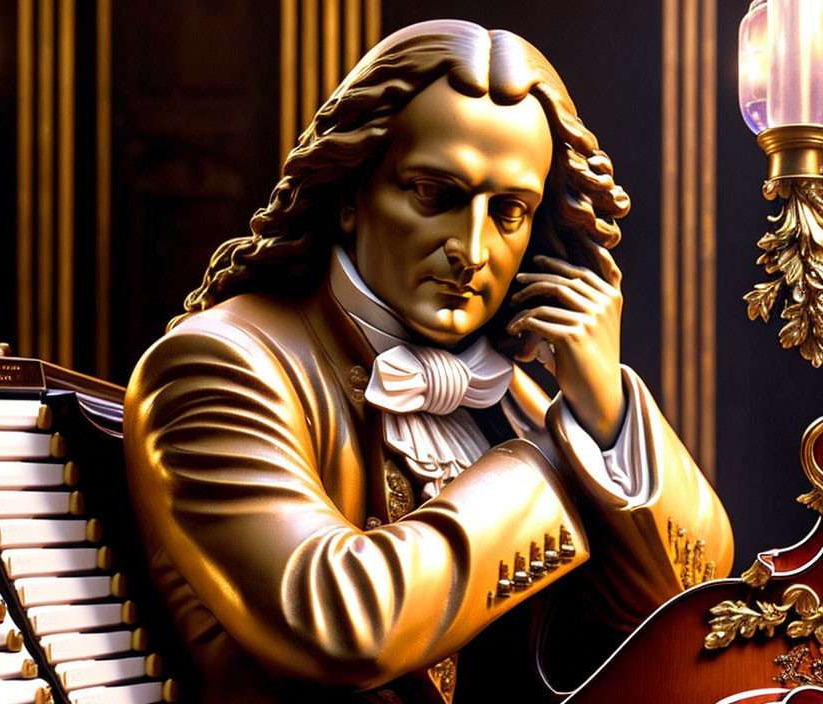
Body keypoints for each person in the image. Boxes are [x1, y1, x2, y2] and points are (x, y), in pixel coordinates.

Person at [123, 19, 733, 704]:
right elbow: (338, 621)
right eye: (436, 196)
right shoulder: (217, 365)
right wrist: (550, 468)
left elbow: (696, 608)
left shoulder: (520, 398)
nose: (471, 249)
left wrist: (605, 417)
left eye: (509, 211)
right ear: (351, 194)